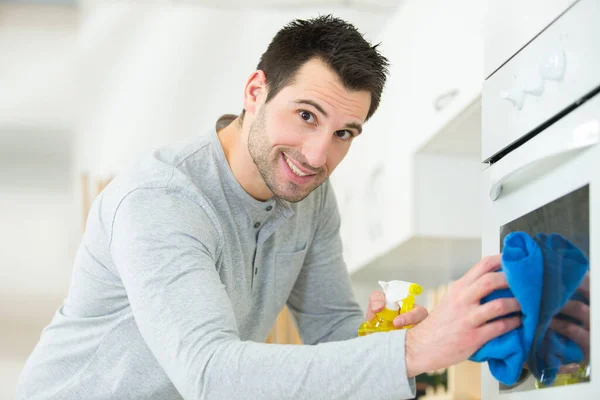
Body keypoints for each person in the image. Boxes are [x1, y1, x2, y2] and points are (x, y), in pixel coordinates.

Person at [17, 15, 522, 399]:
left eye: (344, 133)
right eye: (306, 115)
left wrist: (384, 340)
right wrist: (411, 351)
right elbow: (210, 374)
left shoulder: (310, 198)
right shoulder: (161, 200)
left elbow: (332, 330)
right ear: (256, 91)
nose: (318, 155)